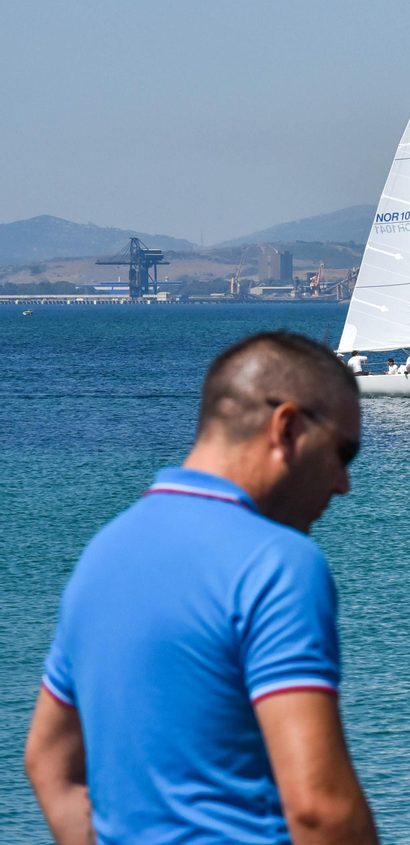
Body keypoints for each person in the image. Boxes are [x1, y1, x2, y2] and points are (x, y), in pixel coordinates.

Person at [25, 331, 378, 845]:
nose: (344, 483)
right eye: (345, 452)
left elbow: (48, 767)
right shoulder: (276, 562)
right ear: (288, 427)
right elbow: (318, 809)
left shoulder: (102, 554)